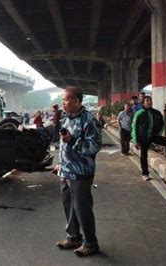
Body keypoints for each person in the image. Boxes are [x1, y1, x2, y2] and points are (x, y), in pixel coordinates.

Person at [53, 87, 101, 257]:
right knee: (69, 206)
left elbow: (94, 147)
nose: (63, 103)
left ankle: (90, 243)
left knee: (82, 208)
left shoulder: (89, 120)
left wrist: (72, 140)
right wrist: (60, 164)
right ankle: (73, 237)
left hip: (81, 172)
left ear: (77, 101)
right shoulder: (66, 118)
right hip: (66, 171)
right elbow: (64, 145)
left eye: (66, 100)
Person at [132, 96, 166, 181]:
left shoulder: (157, 113)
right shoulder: (139, 113)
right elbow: (134, 127)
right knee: (143, 155)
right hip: (143, 138)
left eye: (150, 100)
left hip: (154, 136)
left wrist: (159, 133)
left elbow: (162, 123)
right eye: (147, 101)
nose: (150, 102)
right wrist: (135, 140)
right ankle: (145, 174)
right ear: (143, 103)